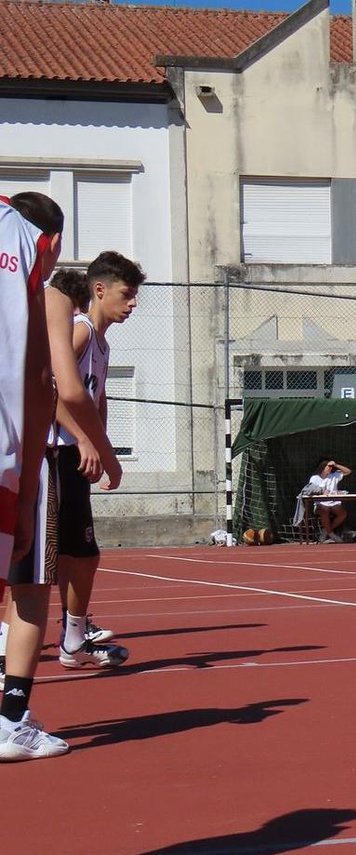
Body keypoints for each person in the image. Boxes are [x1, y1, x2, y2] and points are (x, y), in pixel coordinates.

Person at [0, 191, 65, 761]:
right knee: (31, 584)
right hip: (19, 455)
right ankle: (11, 716)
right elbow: (54, 385)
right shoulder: (45, 295)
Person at [54, 252, 143, 670]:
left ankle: (74, 639)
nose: (132, 304)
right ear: (99, 289)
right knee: (36, 562)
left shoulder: (101, 343)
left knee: (82, 555)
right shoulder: (80, 332)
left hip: (74, 454)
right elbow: (47, 387)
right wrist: (81, 440)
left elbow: (97, 401)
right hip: (52, 453)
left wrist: (104, 449)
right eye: (126, 295)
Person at [307, 458, 352, 543]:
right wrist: (321, 492)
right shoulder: (315, 478)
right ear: (322, 467)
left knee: (342, 513)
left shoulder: (334, 475)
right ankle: (332, 535)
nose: (330, 468)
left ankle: (326, 531)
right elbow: (310, 490)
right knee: (325, 510)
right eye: (328, 466)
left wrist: (336, 465)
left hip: (333, 502)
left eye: (331, 467)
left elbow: (348, 471)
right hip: (320, 503)